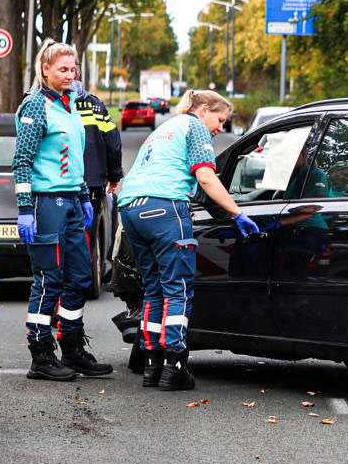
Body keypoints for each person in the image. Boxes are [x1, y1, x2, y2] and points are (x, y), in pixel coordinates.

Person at [115, 90, 259, 390]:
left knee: (153, 288)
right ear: (204, 110)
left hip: (131, 210)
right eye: (220, 120)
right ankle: (175, 366)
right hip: (164, 208)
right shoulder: (194, 127)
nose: (220, 128)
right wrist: (237, 213)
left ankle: (151, 365)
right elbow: (206, 177)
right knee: (177, 289)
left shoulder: (166, 128)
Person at [14, 42, 112, 381]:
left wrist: (84, 196)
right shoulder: (35, 106)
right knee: (49, 279)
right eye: (63, 70)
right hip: (46, 203)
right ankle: (40, 354)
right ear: (45, 69)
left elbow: (74, 161)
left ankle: (72, 347)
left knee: (81, 278)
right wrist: (26, 208)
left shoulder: (70, 106)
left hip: (71, 201)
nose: (71, 75)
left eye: (73, 70)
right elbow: (22, 161)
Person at [72, 78, 123, 295]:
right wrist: (114, 175)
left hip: (53, 186)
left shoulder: (43, 101)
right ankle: (80, 287)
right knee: (86, 239)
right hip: (91, 182)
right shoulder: (95, 105)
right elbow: (113, 141)